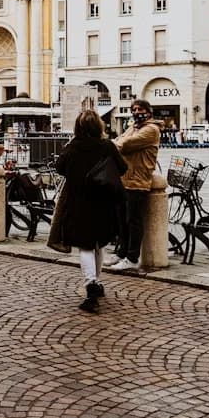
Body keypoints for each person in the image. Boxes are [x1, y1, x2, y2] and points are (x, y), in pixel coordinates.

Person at [48, 109, 127, 313]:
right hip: (104, 201)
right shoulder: (106, 146)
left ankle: (91, 285)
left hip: (79, 202)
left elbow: (59, 167)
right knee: (99, 244)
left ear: (78, 127)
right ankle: (97, 283)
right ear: (98, 126)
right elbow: (123, 168)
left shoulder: (73, 146)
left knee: (85, 246)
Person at [106, 99, 161, 272]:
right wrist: (114, 142)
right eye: (134, 109)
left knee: (133, 220)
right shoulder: (133, 127)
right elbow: (120, 138)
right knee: (121, 219)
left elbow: (125, 143)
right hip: (125, 179)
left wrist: (112, 145)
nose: (137, 112)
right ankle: (122, 253)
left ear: (149, 111)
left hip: (138, 180)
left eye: (140, 109)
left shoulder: (151, 130)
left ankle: (132, 257)